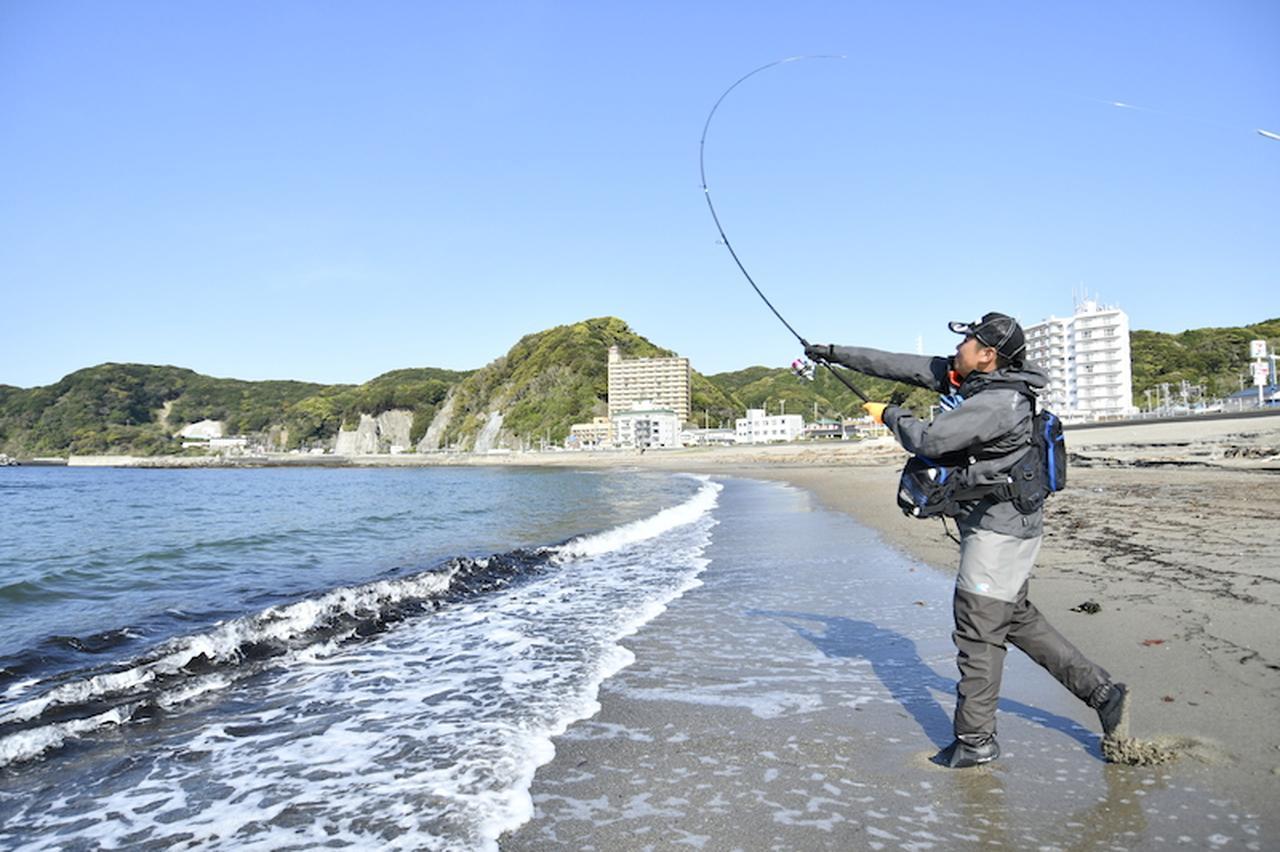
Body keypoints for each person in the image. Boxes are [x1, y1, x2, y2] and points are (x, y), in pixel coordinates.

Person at [804, 312, 1129, 768]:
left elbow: (930, 440)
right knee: (1011, 618)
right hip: (1003, 526)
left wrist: (888, 414)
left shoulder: (997, 403)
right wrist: (834, 354)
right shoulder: (980, 381)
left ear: (988, 355)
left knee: (977, 629)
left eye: (967, 343)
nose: (958, 349)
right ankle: (1102, 692)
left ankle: (976, 741)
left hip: (1000, 532)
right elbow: (904, 365)